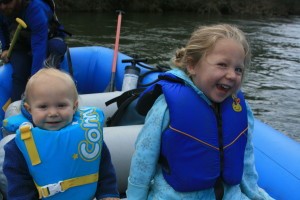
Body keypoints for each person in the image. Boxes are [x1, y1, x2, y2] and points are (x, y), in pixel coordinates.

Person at [126, 24, 274, 200]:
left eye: (238, 69)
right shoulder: (167, 106)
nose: (232, 75)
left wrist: (255, 194)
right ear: (192, 65)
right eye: (222, 65)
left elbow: (246, 157)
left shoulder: (239, 107)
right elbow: (144, 158)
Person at [3, 68, 120, 199]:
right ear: (29, 109)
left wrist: (108, 194)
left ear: (74, 106)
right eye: (43, 107)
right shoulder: (17, 149)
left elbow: (105, 171)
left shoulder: (88, 135)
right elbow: (19, 190)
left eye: (61, 105)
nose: (53, 113)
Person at [0, 0, 68, 102]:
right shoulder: (2, 9)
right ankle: (16, 107)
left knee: (54, 51)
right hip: (23, 44)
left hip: (47, 40)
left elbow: (39, 46)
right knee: (19, 72)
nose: (2, 7)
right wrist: (5, 48)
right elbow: (2, 27)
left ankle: (53, 97)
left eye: (6, 1)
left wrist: (34, 78)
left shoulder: (35, 8)